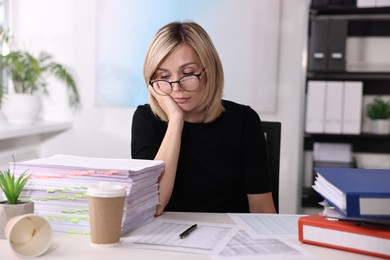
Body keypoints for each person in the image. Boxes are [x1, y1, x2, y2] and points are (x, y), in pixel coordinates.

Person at [131, 21, 276, 216]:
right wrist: (176, 120)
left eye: (189, 74)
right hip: (168, 240)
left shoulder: (244, 120)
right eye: (164, 77)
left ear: (210, 71)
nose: (176, 88)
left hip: (230, 238)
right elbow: (154, 204)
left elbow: (261, 208)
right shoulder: (146, 119)